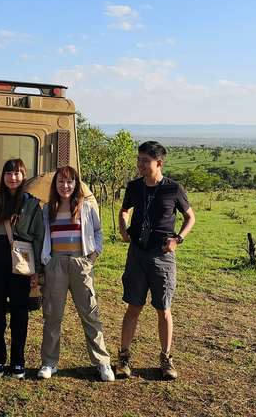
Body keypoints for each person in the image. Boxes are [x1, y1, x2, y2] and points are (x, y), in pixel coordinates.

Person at [117, 141, 195, 380]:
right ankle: (123, 357)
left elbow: (190, 217)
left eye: (145, 161)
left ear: (159, 163)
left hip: (163, 255)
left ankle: (166, 358)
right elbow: (124, 211)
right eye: (138, 159)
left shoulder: (174, 189)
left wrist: (177, 240)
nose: (140, 164)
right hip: (138, 252)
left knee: (163, 308)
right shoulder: (134, 186)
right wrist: (123, 230)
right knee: (134, 306)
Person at [37, 166, 115, 382]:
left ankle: (103, 363)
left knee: (90, 314)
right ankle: (49, 363)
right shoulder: (47, 210)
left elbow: (97, 232)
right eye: (61, 181)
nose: (65, 186)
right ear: (55, 184)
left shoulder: (87, 207)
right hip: (56, 266)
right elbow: (42, 238)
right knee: (52, 316)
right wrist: (47, 262)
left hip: (81, 265)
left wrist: (93, 257)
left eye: (70, 182)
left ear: (76, 184)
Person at [0, 158, 44, 379]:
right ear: (3, 177)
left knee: (20, 316)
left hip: (21, 267)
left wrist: (37, 270)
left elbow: (39, 238)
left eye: (17, 174)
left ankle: (18, 362)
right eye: (8, 173)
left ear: (24, 176)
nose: (12, 178)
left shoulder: (32, 205)